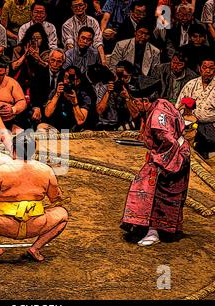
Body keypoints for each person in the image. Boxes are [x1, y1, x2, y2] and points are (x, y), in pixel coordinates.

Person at [0, 132, 69, 262]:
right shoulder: (46, 171)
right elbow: (55, 198)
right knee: (63, 214)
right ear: (33, 151)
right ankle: (35, 248)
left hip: (5, 224)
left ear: (14, 150)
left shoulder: (2, 171)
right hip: (36, 224)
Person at [121, 79, 190, 246]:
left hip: (171, 156)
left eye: (135, 101)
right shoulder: (161, 103)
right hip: (174, 152)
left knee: (157, 193)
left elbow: (169, 142)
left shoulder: (157, 119)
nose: (133, 104)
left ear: (145, 101)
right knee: (150, 189)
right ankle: (148, 227)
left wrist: (160, 163)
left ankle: (154, 231)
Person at [176, 55, 215, 158]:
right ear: (199, 68)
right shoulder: (191, 84)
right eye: (205, 67)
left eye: (211, 68)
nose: (207, 71)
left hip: (210, 127)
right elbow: (178, 106)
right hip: (189, 123)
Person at [38, 65, 95, 132]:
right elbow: (47, 113)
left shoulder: (84, 96)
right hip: (56, 129)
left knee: (89, 133)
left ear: (78, 81)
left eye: (71, 78)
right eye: (66, 77)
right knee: (41, 127)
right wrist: (57, 95)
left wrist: (75, 102)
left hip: (75, 131)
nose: (68, 81)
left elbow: (80, 121)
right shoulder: (55, 92)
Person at [29, 48, 66, 129]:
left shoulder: (65, 76)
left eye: (59, 61)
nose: (55, 64)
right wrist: (36, 107)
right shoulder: (39, 73)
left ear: (63, 63)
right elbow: (34, 93)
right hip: (41, 108)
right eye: (53, 60)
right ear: (48, 60)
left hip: (58, 109)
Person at [62, 0, 106, 65]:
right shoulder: (67, 25)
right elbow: (69, 44)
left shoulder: (93, 21)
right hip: (73, 56)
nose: (78, 8)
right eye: (75, 6)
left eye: (80, 5)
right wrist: (78, 60)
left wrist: (103, 61)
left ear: (85, 6)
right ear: (72, 8)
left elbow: (98, 42)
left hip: (91, 55)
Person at [11, 23, 50, 91]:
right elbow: (14, 67)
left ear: (43, 39)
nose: (36, 41)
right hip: (21, 81)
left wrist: (38, 59)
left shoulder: (46, 52)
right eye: (33, 38)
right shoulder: (19, 49)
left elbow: (49, 68)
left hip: (40, 82)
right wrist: (24, 56)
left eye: (38, 38)